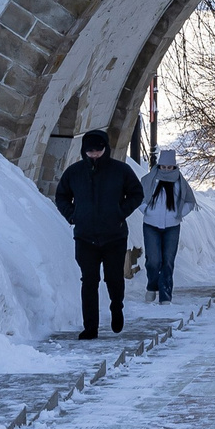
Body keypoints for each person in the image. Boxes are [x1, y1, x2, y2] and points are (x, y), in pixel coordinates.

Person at [53, 128, 142, 338]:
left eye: (98, 150)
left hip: (115, 235)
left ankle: (116, 307)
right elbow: (62, 196)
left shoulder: (120, 171)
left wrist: (120, 212)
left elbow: (137, 194)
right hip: (85, 237)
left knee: (113, 278)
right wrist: (73, 215)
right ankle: (90, 326)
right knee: (89, 281)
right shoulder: (74, 173)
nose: (94, 155)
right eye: (90, 151)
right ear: (84, 151)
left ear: (105, 149)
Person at [138, 147, 196, 303]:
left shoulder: (179, 182)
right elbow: (139, 197)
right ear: (158, 166)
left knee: (168, 260)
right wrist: (146, 210)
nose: (166, 170)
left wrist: (178, 213)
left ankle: (165, 296)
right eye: (163, 167)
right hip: (150, 225)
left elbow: (190, 201)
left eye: (169, 167)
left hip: (172, 226)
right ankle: (151, 286)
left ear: (174, 167)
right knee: (153, 260)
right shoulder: (149, 179)